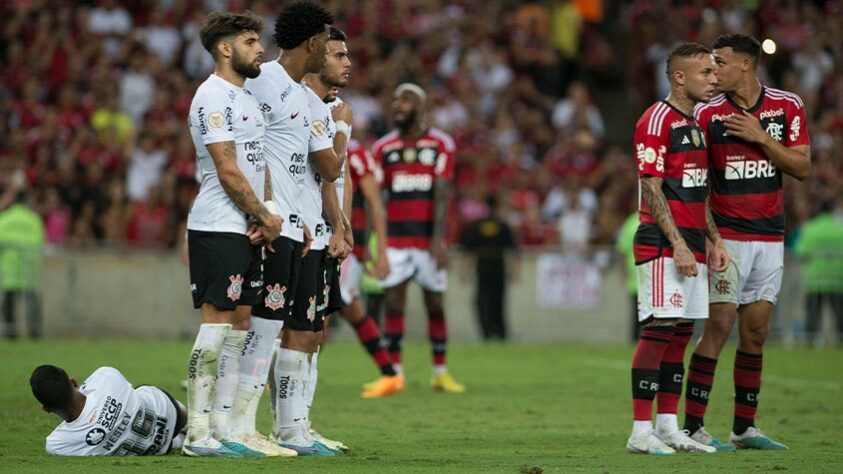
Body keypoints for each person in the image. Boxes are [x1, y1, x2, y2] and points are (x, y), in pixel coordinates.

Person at [684, 34, 811, 451]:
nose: (713, 70)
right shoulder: (706, 114)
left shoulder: (787, 106)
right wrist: (710, 238)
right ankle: (693, 426)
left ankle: (744, 427)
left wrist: (760, 137)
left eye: (719, 62)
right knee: (719, 326)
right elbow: (696, 183)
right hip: (728, 236)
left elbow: (802, 167)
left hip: (770, 236)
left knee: (755, 332)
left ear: (746, 65)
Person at [245, 0, 345, 457]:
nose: (333, 51)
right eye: (330, 43)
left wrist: (323, 223)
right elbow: (254, 149)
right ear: (313, 42)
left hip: (301, 227)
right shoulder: (262, 80)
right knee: (264, 327)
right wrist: (263, 208)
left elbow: (321, 171)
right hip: (270, 223)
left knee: (306, 329)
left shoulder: (303, 98)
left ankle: (293, 429)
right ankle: (239, 425)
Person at [183, 11, 281, 458]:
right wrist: (262, 213)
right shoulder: (211, 97)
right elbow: (226, 170)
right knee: (217, 326)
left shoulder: (247, 98)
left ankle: (223, 426)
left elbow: (256, 166)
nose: (260, 48)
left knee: (240, 325)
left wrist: (265, 215)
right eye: (249, 40)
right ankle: (196, 433)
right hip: (217, 226)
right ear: (225, 48)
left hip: (246, 227)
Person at [626, 42, 726, 455]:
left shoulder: (697, 123)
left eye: (715, 72)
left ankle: (668, 425)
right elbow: (651, 187)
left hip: (693, 245)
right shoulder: (656, 119)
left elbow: (697, 191)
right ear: (680, 77)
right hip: (664, 244)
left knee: (682, 332)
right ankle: (639, 430)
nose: (715, 79)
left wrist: (714, 239)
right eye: (706, 72)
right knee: (659, 329)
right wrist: (680, 245)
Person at [371, 83, 465, 393]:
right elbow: (376, 198)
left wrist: (439, 238)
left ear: (421, 107)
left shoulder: (441, 144)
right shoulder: (383, 148)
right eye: (395, 99)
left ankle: (440, 372)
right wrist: (379, 245)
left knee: (435, 304)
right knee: (394, 302)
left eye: (406, 100)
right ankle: (394, 373)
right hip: (396, 239)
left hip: (428, 239)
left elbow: (442, 193)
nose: (398, 105)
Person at [31, 365, 187, 456]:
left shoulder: (57, 443)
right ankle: (195, 427)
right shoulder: (106, 376)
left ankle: (180, 440)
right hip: (169, 412)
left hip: (153, 448)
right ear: (73, 382)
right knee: (139, 393)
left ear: (46, 409)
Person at [458, 194, 518, 341]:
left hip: (483, 265)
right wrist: (514, 271)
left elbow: (468, 252)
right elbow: (512, 250)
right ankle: (500, 331)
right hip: (498, 265)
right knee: (498, 300)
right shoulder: (503, 226)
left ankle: (486, 331)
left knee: (482, 300)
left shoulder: (477, 225)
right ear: (497, 206)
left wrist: (464, 272)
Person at [794, 191, 843, 346]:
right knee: (839, 314)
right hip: (837, 279)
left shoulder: (810, 229)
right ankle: (840, 341)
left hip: (815, 280)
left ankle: (811, 341)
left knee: (814, 314)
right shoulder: (840, 229)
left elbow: (799, 251)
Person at [0, 190, 45, 339]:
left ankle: (10, 333)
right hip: (29, 267)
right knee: (31, 302)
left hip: (9, 267)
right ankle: (34, 332)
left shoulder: (4, 218)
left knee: (9, 303)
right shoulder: (34, 219)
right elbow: (39, 242)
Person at [616, 211, 640, 342]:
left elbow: (621, 250)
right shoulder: (657, 219)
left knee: (636, 315)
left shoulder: (630, 222)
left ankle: (635, 340)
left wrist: (623, 274)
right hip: (647, 277)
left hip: (634, 276)